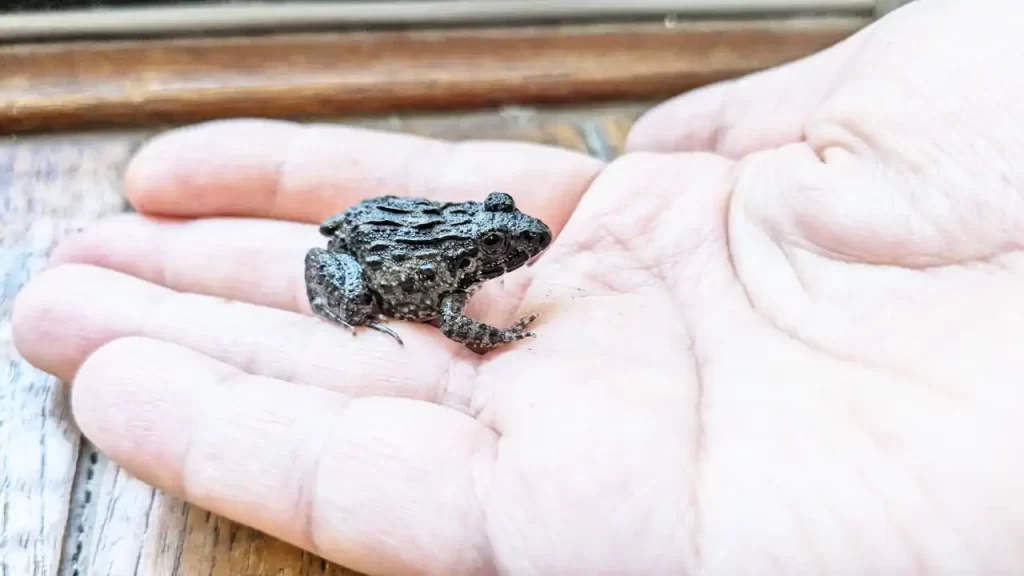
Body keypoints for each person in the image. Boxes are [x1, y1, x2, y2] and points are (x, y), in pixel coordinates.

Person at [13, 0, 1024, 573]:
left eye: (507, 238)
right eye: (506, 243)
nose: (519, 246)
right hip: (367, 251)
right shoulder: (458, 273)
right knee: (354, 291)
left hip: (390, 224)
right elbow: (443, 312)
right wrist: (493, 334)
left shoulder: (482, 243)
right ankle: (351, 309)